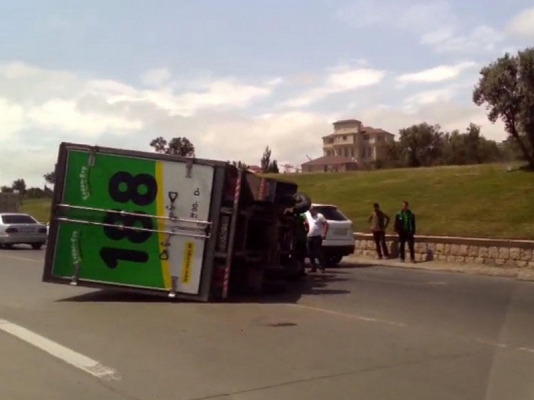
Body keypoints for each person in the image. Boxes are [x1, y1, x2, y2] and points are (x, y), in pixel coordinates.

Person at [305, 206, 329, 273]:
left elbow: (326, 224)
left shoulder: (319, 216)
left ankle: (322, 265)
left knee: (317, 252)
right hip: (309, 236)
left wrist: (324, 233)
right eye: (310, 210)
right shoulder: (308, 216)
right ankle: (313, 267)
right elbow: (306, 222)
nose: (311, 212)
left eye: (312, 210)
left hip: (317, 236)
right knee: (310, 253)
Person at [294, 212, 309, 277]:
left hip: (295, 238)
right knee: (302, 255)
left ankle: (296, 269)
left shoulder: (294, 214)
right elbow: (306, 223)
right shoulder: (302, 214)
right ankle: (301, 270)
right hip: (301, 238)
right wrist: (307, 230)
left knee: (296, 255)